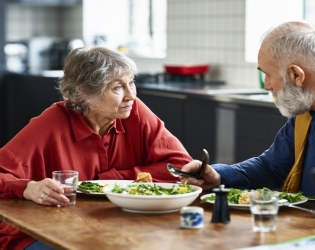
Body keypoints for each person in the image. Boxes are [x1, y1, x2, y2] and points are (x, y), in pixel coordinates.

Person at [0, 46, 192, 249]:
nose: (131, 96)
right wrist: (28, 189)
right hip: (44, 232)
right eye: (118, 87)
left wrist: (110, 181)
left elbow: (181, 166)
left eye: (131, 83)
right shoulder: (51, 123)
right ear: (84, 91)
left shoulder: (135, 111)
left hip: (118, 226)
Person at [180, 20, 315, 199]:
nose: (267, 85)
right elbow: (270, 167)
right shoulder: (305, 110)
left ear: (296, 75)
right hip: (303, 225)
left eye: (268, 74)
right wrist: (217, 176)